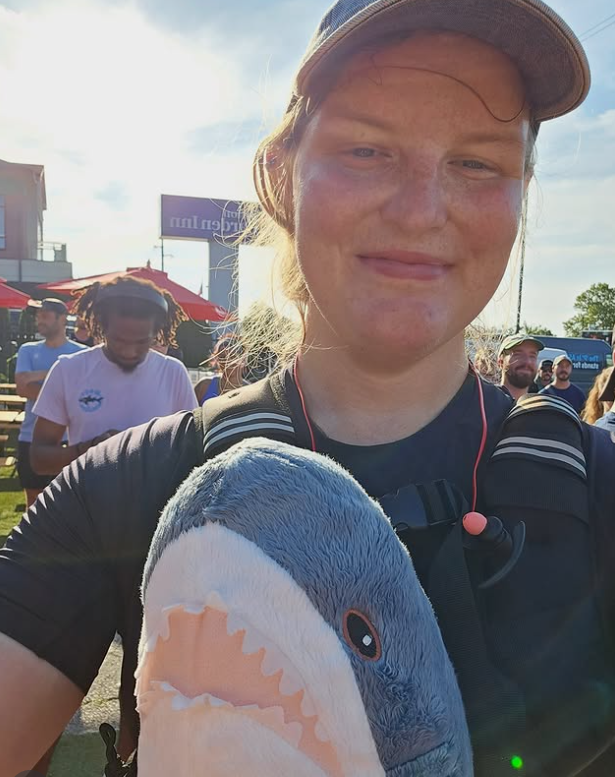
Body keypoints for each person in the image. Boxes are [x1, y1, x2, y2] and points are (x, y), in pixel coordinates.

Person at [1, 2, 614, 776]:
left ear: (520, 194)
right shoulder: (131, 483)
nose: (421, 209)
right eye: (366, 148)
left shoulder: (594, 490)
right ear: (280, 176)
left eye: (477, 163)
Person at [30, 277, 198, 477]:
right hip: (88, 496)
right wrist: (91, 451)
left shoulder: (173, 372)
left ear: (157, 332)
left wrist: (148, 452)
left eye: (141, 342)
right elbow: (39, 460)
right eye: (119, 340)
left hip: (158, 498)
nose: (129, 351)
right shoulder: (68, 370)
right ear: (101, 326)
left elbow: (193, 451)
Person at [14, 299, 86, 508]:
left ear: (62, 319)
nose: (39, 320)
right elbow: (22, 388)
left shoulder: (82, 353)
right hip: (30, 437)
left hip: (72, 440)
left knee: (70, 504)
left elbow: (82, 395)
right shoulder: (27, 350)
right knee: (34, 502)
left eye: (44, 315)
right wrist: (60, 373)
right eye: (38, 316)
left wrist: (37, 377)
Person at [194, 335, 245, 404]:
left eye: (233, 356)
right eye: (223, 357)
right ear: (217, 360)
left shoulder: (250, 391)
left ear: (242, 358)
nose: (227, 361)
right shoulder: (204, 386)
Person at [497, 333, 543, 401]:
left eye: (532, 356)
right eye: (518, 354)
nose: (527, 362)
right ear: (501, 362)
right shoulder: (485, 401)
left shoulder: (540, 405)